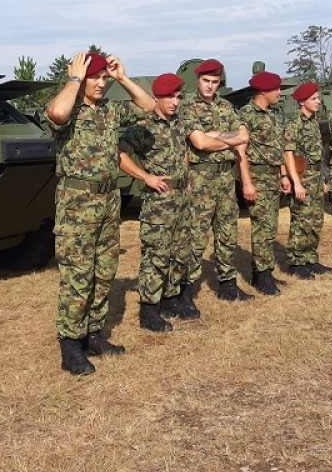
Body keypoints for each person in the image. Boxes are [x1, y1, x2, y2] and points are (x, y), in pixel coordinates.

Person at [45, 52, 155, 375]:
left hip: (108, 202)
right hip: (77, 204)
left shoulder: (109, 110)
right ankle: (71, 345)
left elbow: (149, 107)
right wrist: (74, 79)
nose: (101, 83)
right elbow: (56, 112)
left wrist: (123, 78)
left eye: (104, 78)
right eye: (96, 77)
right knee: (78, 276)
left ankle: (94, 334)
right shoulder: (70, 108)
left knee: (104, 271)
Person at [118, 73, 196, 333]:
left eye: (178, 97)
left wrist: (187, 180)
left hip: (182, 199)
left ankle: (171, 299)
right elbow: (119, 155)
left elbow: (184, 151)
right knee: (157, 256)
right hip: (159, 203)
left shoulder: (179, 124)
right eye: (169, 97)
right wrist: (146, 177)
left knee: (180, 252)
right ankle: (149, 310)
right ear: (156, 98)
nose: (175, 102)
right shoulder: (143, 127)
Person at [178, 59, 253, 302]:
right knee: (196, 237)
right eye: (206, 81)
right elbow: (199, 143)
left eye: (215, 82)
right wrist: (227, 138)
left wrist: (214, 137)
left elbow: (243, 137)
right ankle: (186, 289)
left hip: (225, 177)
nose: (210, 86)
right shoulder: (187, 106)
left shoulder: (227, 107)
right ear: (197, 80)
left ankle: (227, 284)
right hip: (199, 179)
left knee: (227, 233)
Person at [237, 70, 291, 295]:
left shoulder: (272, 114)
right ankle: (261, 275)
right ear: (263, 91)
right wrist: (247, 183)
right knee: (262, 227)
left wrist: (283, 174)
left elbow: (276, 148)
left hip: (272, 175)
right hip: (257, 176)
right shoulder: (246, 115)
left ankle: (265, 270)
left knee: (270, 227)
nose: (280, 92)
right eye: (276, 89)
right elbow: (240, 150)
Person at [283, 82, 332, 279]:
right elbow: (288, 154)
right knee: (301, 220)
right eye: (314, 99)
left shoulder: (312, 122)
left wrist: (321, 178)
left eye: (318, 98)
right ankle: (296, 262)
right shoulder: (294, 124)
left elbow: (317, 155)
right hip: (302, 176)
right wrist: (296, 182)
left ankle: (310, 257)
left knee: (315, 220)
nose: (318, 101)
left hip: (314, 175)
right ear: (302, 102)